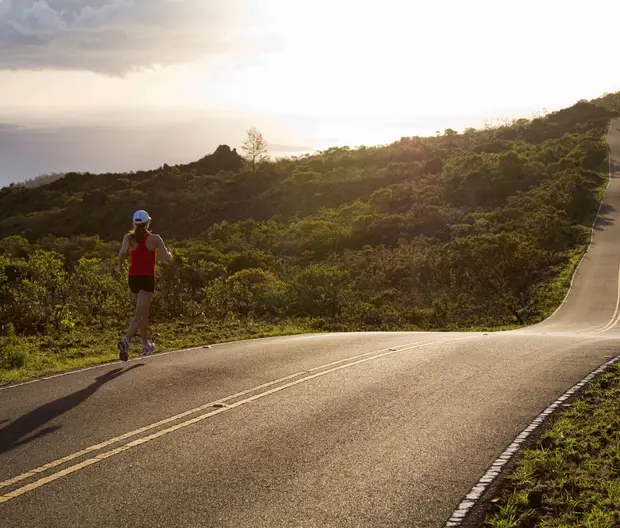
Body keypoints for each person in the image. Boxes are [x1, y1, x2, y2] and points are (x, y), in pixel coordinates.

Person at [117, 210, 173, 361]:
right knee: (139, 314)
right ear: (148, 222)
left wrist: (120, 266)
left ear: (134, 223)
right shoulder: (155, 238)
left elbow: (122, 253)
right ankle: (126, 340)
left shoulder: (128, 237)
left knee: (143, 312)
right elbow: (164, 258)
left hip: (133, 278)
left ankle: (145, 345)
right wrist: (170, 254)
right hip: (147, 278)